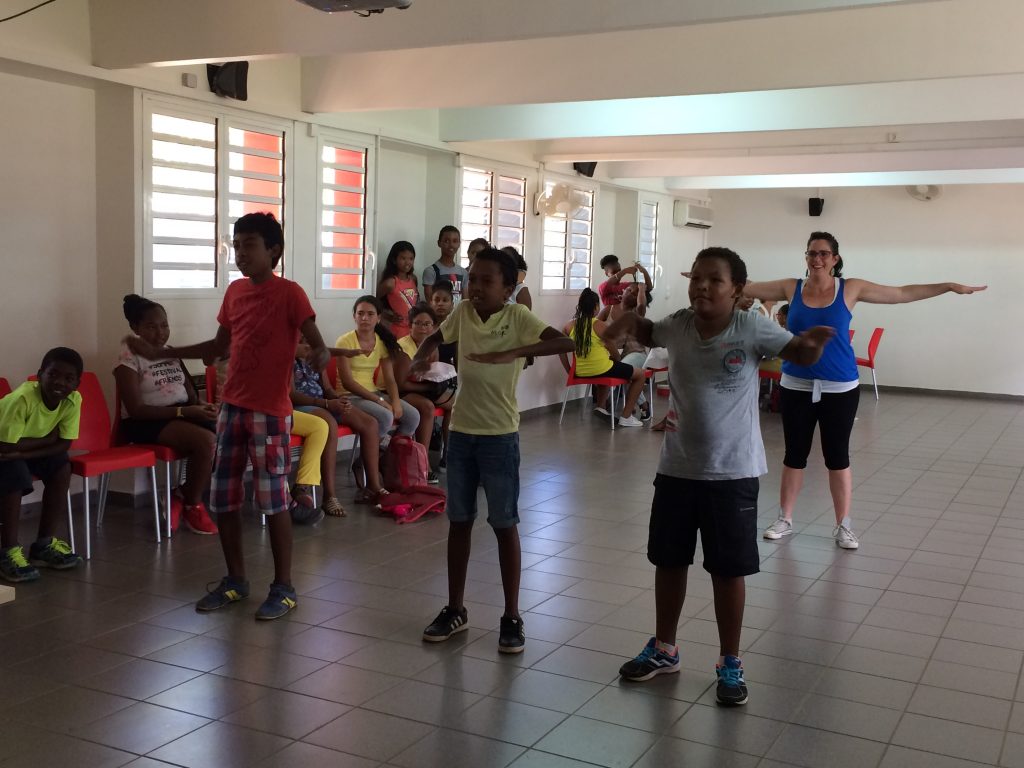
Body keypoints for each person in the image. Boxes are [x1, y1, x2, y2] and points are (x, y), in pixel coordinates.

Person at [605, 247, 833, 705]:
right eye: (697, 278)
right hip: (677, 467)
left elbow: (797, 352)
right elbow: (648, 331)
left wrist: (814, 343)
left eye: (715, 280)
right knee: (669, 561)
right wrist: (628, 320)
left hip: (733, 471)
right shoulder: (679, 324)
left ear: (737, 290)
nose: (702, 287)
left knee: (728, 570)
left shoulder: (750, 327)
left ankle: (730, 661)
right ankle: (665, 649)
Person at [128, 212, 331, 621]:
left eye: (249, 245)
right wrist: (165, 352)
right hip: (232, 409)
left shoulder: (290, 294)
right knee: (223, 497)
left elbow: (317, 343)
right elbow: (218, 348)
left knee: (273, 500)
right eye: (236, 246)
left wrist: (322, 355)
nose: (240, 253)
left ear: (274, 251)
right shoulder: (235, 293)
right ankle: (236, 580)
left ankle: (284, 587)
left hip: (270, 412)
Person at [745, 231, 986, 549]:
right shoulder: (792, 287)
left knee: (837, 457)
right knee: (794, 455)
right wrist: (704, 277)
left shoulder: (850, 288)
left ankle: (843, 525)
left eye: (823, 254)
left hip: (840, 387)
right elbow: (746, 287)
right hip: (796, 384)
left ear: (835, 259)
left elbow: (901, 293)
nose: (817, 259)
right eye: (812, 253)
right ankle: (785, 519)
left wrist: (948, 286)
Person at [415, 248, 574, 654]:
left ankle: (512, 616)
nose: (477, 287)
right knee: (459, 522)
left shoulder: (517, 316)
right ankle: (455, 609)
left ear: (507, 288)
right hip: (462, 435)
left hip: (500, 437)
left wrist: (515, 351)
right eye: (473, 279)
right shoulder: (463, 312)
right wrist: (421, 352)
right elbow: (437, 335)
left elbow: (565, 340)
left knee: (504, 524)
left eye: (487, 280)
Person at [115, 294, 218, 535]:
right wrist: (184, 411)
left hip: (180, 415)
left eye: (164, 325)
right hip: (144, 422)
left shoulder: (170, 352)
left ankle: (180, 495)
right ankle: (193, 504)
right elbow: (136, 410)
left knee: (228, 433)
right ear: (135, 328)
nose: (160, 333)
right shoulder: (128, 359)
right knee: (207, 441)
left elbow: (191, 395)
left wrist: (205, 407)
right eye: (152, 327)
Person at [0, 348, 85, 582]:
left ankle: (43, 546)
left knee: (61, 466)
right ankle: (7, 552)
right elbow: (6, 447)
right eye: (53, 374)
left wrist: (26, 450)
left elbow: (64, 444)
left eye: (68, 378)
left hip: (18, 450)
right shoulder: (22, 399)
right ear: (40, 375)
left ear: (76, 384)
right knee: (13, 470)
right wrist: (48, 439)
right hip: (3, 450)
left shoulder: (73, 400)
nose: (59, 382)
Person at [334, 296, 428, 493]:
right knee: (385, 416)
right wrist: (379, 401)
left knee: (413, 416)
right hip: (350, 395)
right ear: (354, 316)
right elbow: (348, 383)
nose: (365, 318)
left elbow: (390, 379)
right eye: (360, 313)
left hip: (374, 392)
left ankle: (381, 458)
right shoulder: (345, 341)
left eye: (370, 314)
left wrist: (396, 401)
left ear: (378, 318)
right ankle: (369, 463)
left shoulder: (381, 342)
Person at [560, 287, 647, 428]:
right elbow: (613, 351)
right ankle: (626, 416)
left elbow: (560, 349)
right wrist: (619, 361)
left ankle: (601, 407)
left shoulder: (569, 326)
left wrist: (569, 370)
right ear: (596, 307)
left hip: (580, 372)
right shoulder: (599, 325)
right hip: (601, 369)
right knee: (640, 375)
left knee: (607, 366)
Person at [394, 304, 456, 476]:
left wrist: (438, 383)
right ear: (410, 325)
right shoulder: (403, 348)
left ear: (434, 327)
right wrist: (428, 387)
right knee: (427, 407)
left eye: (427, 324)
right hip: (399, 391)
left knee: (456, 404)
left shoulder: (432, 346)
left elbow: (433, 373)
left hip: (421, 388)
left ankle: (448, 455)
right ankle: (423, 463)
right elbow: (400, 385)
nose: (423, 328)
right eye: (418, 323)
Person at [376, 240, 420, 338]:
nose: (407, 262)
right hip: (397, 331)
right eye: (403, 258)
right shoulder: (390, 283)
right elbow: (373, 303)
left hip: (413, 329)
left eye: (411, 258)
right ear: (394, 260)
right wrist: (388, 316)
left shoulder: (413, 279)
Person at [422, 225, 467, 303]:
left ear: (459, 244)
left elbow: (465, 302)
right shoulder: (431, 271)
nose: (451, 245)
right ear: (439, 243)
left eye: (455, 241)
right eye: (447, 241)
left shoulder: (463, 272)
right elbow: (430, 303)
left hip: (458, 311)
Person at [429, 279, 458, 367]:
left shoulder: (457, 329)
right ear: (431, 303)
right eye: (437, 300)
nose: (440, 304)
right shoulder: (425, 328)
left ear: (452, 305)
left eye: (445, 300)